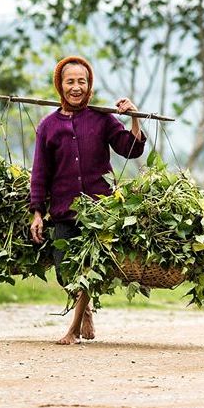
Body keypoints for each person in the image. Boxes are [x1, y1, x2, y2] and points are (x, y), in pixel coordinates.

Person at [29, 55, 146, 344]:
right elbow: (40, 172)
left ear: (89, 84)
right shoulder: (48, 126)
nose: (76, 87)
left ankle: (72, 330)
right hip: (63, 210)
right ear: (60, 85)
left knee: (90, 269)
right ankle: (87, 309)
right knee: (65, 271)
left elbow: (130, 149)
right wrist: (37, 212)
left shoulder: (102, 118)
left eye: (82, 81)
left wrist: (134, 117)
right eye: (70, 81)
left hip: (99, 208)